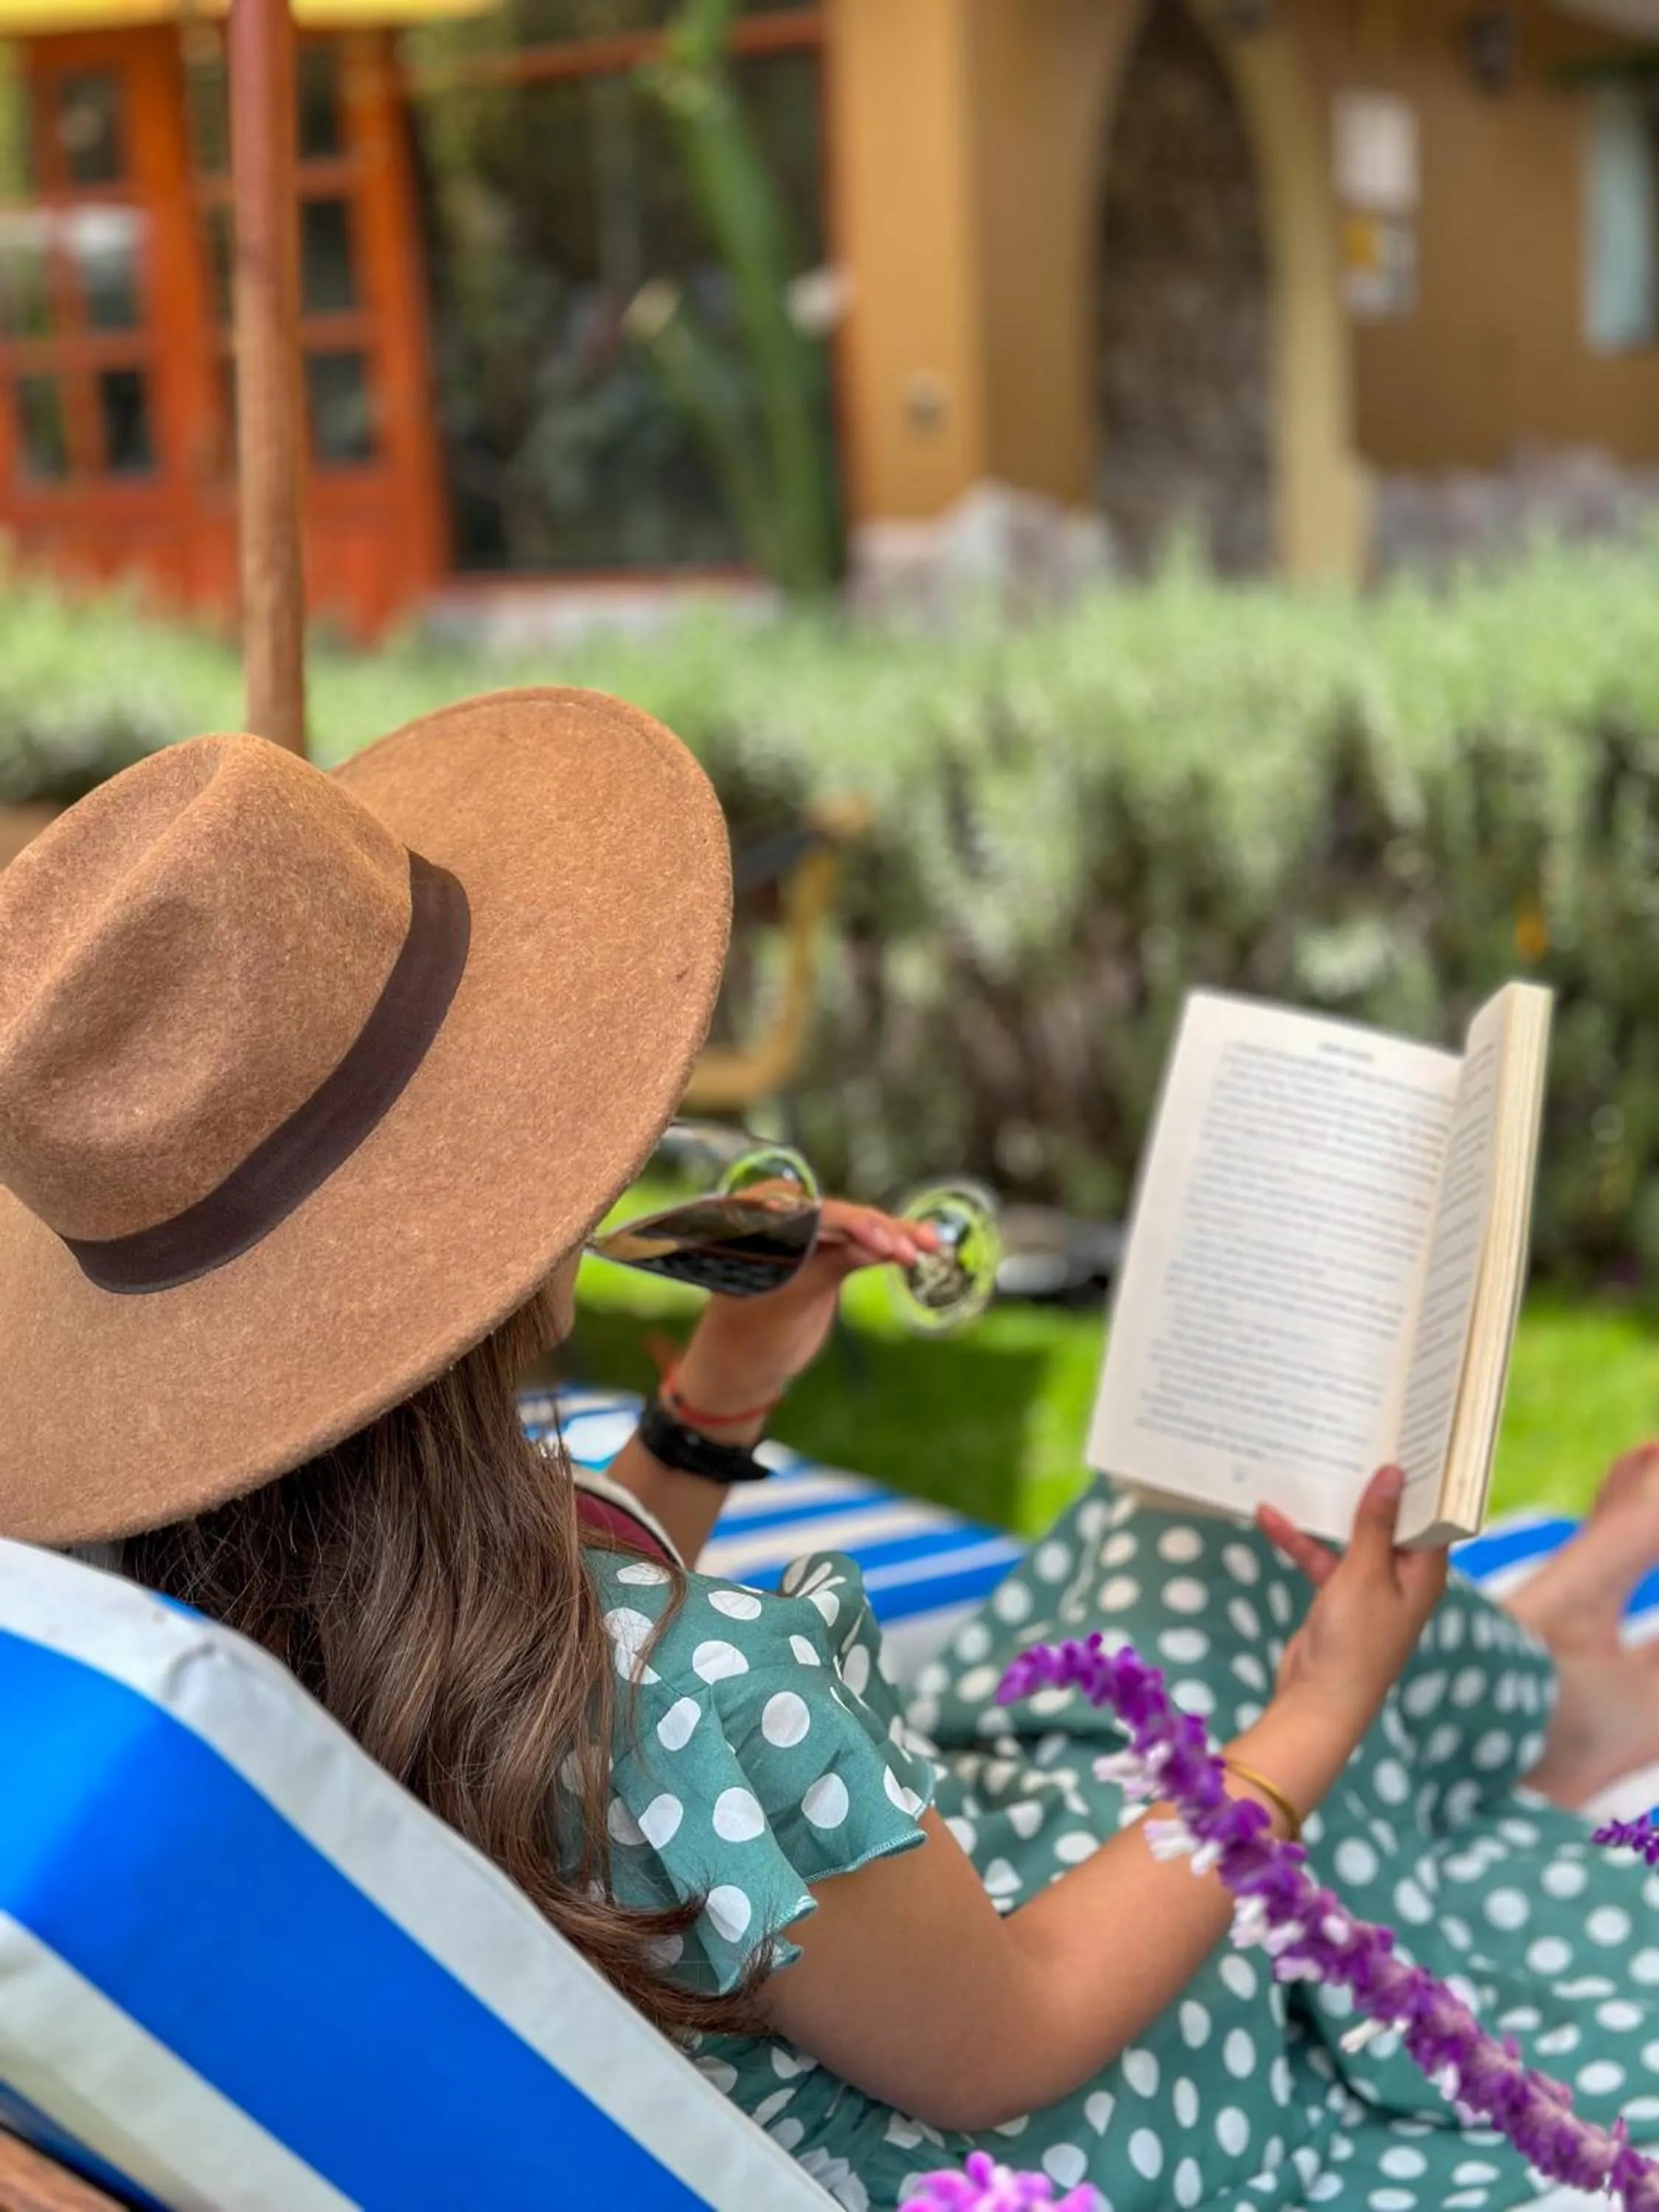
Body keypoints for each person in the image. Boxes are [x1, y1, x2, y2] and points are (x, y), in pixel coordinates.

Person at [4, 690, 1659, 2212]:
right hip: (1056, 2098)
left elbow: (516, 1648)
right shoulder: (708, 1697)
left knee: (1174, 1552)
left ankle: (1548, 1654)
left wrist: (721, 1394)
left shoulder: (214, 1584)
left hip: (852, 1947)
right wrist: (1313, 1720)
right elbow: (1014, 2038)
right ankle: (1541, 1709)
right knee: (1266, 1646)